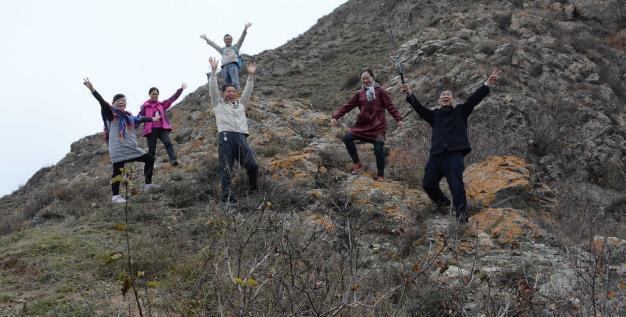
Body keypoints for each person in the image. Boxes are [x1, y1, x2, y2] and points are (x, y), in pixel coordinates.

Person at [400, 68, 500, 223]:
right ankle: (444, 204)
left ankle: (461, 218)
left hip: (454, 154)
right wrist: (410, 94)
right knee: (427, 183)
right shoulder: (434, 115)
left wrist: (487, 84)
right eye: (443, 95)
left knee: (456, 186)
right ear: (439, 101)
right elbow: (419, 109)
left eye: (448, 95)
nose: (445, 97)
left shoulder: (461, 111)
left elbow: (473, 99)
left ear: (452, 100)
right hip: (436, 155)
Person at [83, 78, 161, 204]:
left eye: (123, 101)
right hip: (118, 147)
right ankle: (116, 197)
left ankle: (148, 185)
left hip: (131, 147)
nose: (121, 103)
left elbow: (140, 118)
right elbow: (102, 103)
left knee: (150, 159)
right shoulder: (110, 115)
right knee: (117, 170)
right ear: (113, 103)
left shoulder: (129, 116)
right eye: (119, 101)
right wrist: (92, 89)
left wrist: (154, 118)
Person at [331, 69, 404, 181]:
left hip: (378, 127)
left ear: (372, 78)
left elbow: (390, 107)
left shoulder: (380, 91)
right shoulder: (359, 94)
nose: (365, 80)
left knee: (378, 150)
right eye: (363, 79)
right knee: (347, 137)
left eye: (367, 78)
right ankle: (357, 163)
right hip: (362, 127)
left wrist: (398, 119)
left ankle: (381, 175)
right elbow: (347, 106)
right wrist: (335, 116)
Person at [208, 57, 259, 204]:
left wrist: (250, 75)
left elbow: (248, 91)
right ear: (223, 93)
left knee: (253, 166)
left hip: (241, 137)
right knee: (226, 169)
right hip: (225, 137)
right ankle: (226, 198)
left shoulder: (240, 105)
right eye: (229, 91)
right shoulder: (218, 104)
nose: (232, 93)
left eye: (233, 91)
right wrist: (213, 72)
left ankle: (253, 193)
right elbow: (212, 89)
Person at [139, 84, 187, 166]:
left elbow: (172, 99)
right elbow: (140, 117)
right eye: (153, 93)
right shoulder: (145, 106)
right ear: (149, 94)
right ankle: (150, 165)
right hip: (150, 129)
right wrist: (132, 125)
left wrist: (180, 90)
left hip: (162, 128)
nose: (155, 95)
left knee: (168, 143)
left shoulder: (162, 104)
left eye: (156, 94)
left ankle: (173, 160)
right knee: (152, 149)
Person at [201, 23, 252, 90]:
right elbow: (214, 45)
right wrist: (206, 39)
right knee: (227, 84)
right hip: (224, 68)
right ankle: (229, 97)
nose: (228, 40)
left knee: (235, 82)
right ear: (224, 41)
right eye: (226, 39)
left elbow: (241, 39)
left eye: (229, 39)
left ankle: (238, 94)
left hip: (233, 66)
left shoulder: (236, 47)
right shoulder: (223, 50)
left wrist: (245, 29)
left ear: (231, 40)